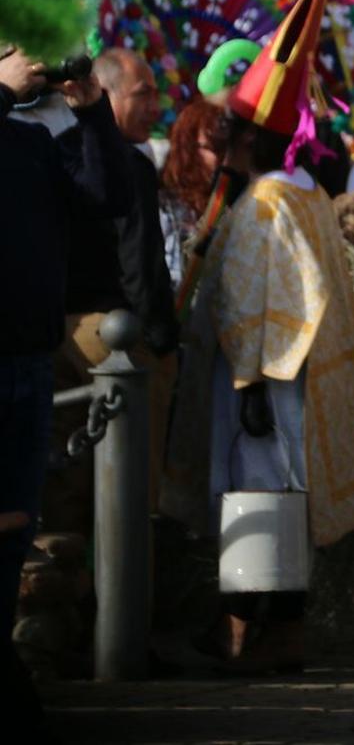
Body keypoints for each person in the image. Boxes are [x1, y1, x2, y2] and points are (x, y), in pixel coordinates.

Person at [164, 0, 354, 672]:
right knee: (278, 500)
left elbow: (261, 301)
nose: (224, 144)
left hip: (261, 384)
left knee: (258, 502)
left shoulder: (266, 204)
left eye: (232, 134)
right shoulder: (303, 194)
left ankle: (253, 631)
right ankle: (266, 629)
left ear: (252, 141)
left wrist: (254, 379)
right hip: (293, 380)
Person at [0, 46, 126, 730]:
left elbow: (105, 198)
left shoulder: (27, 141)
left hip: (28, 364)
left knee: (15, 532)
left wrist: (93, 114)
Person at [46, 48, 179, 530]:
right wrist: (159, 339)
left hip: (53, 336)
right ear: (105, 94)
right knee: (133, 489)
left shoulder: (56, 152)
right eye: (144, 93)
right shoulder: (126, 164)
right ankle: (133, 600)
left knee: (67, 487)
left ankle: (73, 596)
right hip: (113, 339)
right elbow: (139, 261)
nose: (156, 105)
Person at [161, 98, 223, 289]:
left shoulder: (227, 200)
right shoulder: (167, 205)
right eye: (212, 148)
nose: (220, 158)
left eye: (224, 148)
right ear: (189, 148)